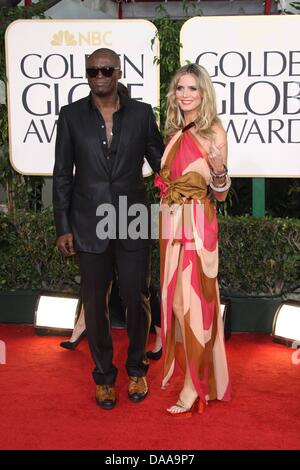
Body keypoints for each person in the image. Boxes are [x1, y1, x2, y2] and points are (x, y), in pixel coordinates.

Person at [53, 48, 163, 410]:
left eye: (105, 69)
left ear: (118, 72)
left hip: (133, 217)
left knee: (137, 297)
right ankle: (103, 377)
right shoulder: (70, 117)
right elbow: (62, 176)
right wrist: (63, 227)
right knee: (95, 303)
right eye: (92, 70)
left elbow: (161, 164)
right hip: (87, 220)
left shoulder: (142, 114)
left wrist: (199, 167)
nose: (98, 75)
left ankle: (137, 369)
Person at [155, 63, 231, 417]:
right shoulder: (174, 130)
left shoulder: (214, 131)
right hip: (171, 224)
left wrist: (218, 170)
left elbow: (220, 194)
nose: (185, 95)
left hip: (199, 224)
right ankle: (198, 374)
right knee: (173, 306)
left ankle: (193, 386)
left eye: (192, 89)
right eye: (180, 88)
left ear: (204, 94)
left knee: (194, 306)